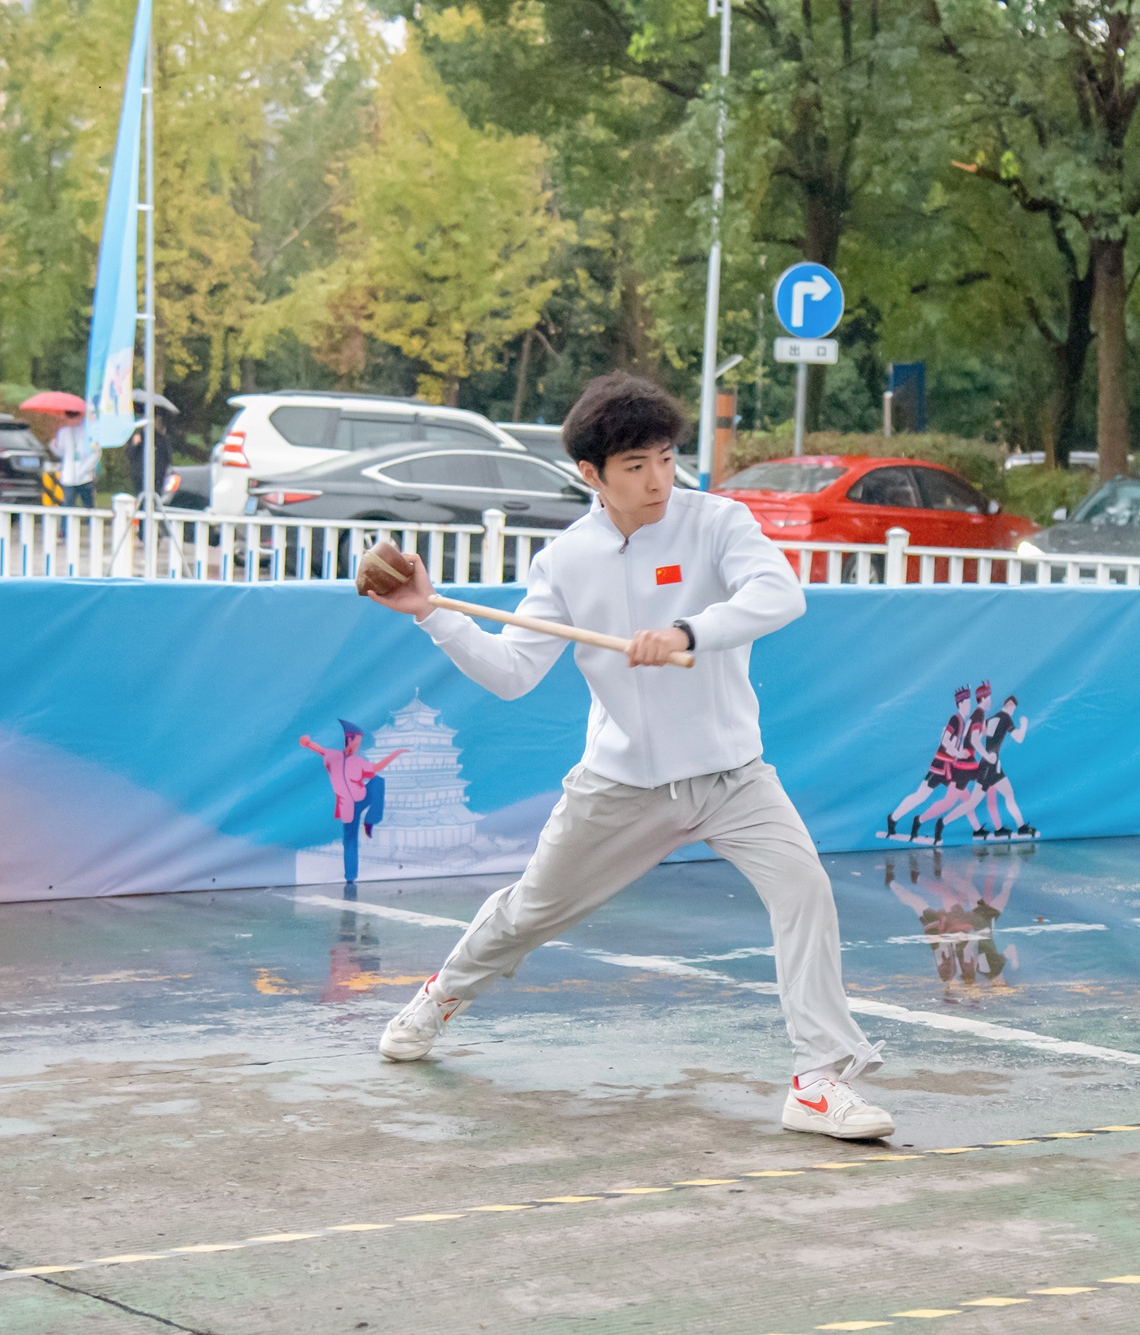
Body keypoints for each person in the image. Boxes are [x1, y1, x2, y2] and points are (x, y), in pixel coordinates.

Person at [361, 371, 893, 1141]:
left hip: (733, 776)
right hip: (621, 784)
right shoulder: (566, 560)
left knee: (804, 889)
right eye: (636, 465)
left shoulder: (717, 521)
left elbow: (781, 595)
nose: (657, 480)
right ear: (592, 473)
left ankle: (817, 1081)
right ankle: (442, 994)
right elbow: (512, 674)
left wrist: (687, 631)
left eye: (666, 458)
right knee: (529, 912)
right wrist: (431, 613)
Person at [299, 724, 405, 884]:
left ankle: (370, 820)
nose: (357, 746)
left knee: (378, 782)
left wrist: (396, 753)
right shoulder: (333, 756)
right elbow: (318, 749)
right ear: (349, 740)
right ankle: (350, 876)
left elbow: (377, 768)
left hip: (362, 797)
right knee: (350, 839)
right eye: (356, 742)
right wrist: (307, 742)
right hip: (347, 806)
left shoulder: (358, 761)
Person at [882, 686, 973, 842]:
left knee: (960, 795)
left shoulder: (962, 722)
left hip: (948, 767)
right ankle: (896, 818)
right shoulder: (955, 719)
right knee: (920, 796)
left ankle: (918, 821)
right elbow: (946, 740)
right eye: (967, 702)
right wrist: (957, 753)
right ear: (961, 704)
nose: (969, 706)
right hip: (941, 766)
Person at [976, 694, 1035, 840]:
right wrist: (1024, 725)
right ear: (1009, 705)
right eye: (1013, 708)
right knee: (974, 801)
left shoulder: (992, 719)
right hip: (990, 766)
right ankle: (977, 830)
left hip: (990, 765)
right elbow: (1019, 738)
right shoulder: (1005, 718)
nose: (1013, 712)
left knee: (1007, 794)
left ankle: (1018, 827)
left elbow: (977, 737)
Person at [52, 408, 97, 509]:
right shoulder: (63, 432)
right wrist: (55, 445)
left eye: (74, 417)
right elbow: (60, 453)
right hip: (68, 477)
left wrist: (86, 469)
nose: (72, 421)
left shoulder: (89, 432)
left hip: (85, 477)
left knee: (89, 506)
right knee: (67, 505)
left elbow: (95, 453)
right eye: (69, 418)